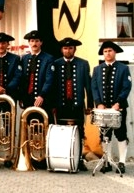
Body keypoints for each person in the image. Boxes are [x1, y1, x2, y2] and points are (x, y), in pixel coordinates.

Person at [91, 40, 132, 174]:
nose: (107, 53)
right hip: (103, 108)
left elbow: (127, 87)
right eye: (105, 51)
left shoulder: (123, 68)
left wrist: (118, 102)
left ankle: (121, 162)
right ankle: (106, 161)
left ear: (115, 52)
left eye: (110, 51)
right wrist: (98, 103)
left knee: (121, 134)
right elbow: (94, 87)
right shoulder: (97, 69)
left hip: (118, 108)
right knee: (104, 135)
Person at [51, 37, 91, 172]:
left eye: (70, 48)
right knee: (61, 133)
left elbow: (88, 86)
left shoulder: (83, 64)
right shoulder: (55, 64)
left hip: (77, 105)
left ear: (75, 49)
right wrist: (53, 105)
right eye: (65, 48)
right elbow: (53, 85)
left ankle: (79, 160)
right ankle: (63, 159)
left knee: (79, 132)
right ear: (62, 49)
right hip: (61, 105)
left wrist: (89, 105)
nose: (68, 50)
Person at [19, 30, 54, 113]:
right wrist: (21, 96)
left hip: (42, 99)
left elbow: (49, 80)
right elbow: (21, 79)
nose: (34, 43)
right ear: (29, 43)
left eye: (37, 41)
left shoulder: (48, 58)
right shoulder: (24, 58)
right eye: (32, 41)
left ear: (41, 43)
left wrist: (42, 95)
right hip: (27, 98)